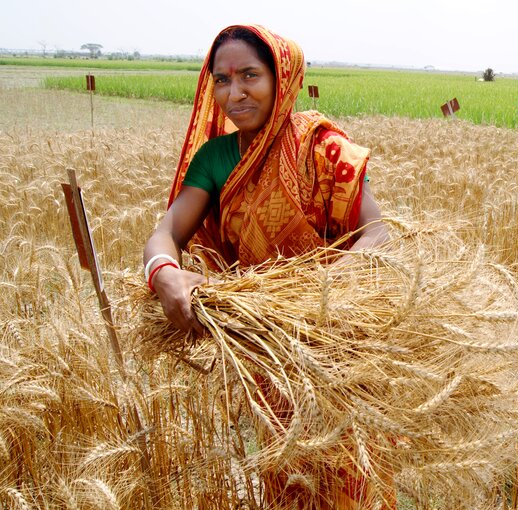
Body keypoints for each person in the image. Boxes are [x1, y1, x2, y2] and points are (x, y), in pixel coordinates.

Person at [142, 24, 391, 509]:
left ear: (282, 79)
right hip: (269, 351)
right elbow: (165, 234)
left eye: (249, 75)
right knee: (287, 473)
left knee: (352, 477)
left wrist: (319, 293)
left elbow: (377, 232)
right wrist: (164, 273)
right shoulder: (215, 160)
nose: (234, 93)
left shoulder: (322, 148)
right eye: (221, 79)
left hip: (336, 340)